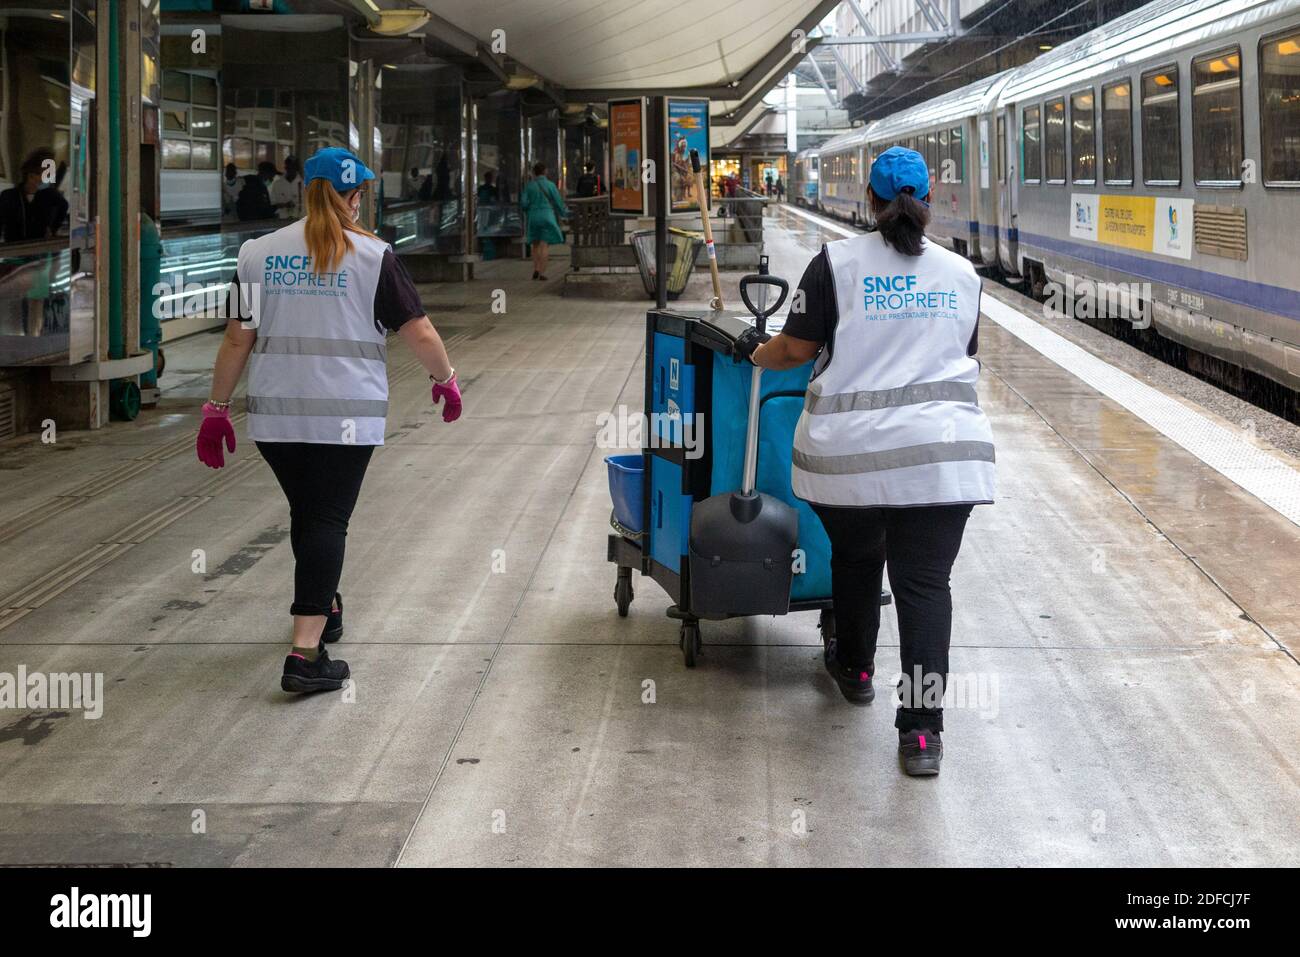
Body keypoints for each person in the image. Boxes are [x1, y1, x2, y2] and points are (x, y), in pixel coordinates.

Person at [737, 146, 994, 777]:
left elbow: (795, 348)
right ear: (930, 203)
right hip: (942, 461)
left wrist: (752, 350)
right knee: (925, 587)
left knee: (857, 556)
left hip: (848, 464)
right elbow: (959, 352)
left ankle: (853, 668)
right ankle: (923, 736)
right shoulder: (963, 275)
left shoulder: (837, 264)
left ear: (869, 202)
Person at [194, 146, 463, 695]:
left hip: (277, 421)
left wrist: (216, 408)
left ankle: (327, 603)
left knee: (308, 512)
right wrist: (445, 379)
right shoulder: (374, 256)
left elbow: (237, 337)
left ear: (305, 190)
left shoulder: (257, 254)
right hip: (345, 420)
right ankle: (306, 652)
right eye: (359, 193)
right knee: (326, 522)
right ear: (353, 197)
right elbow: (421, 333)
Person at [0, 149, 69, 243]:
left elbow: (63, 206)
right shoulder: (9, 196)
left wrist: (52, 229)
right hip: (14, 249)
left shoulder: (51, 195)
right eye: (46, 174)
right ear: (31, 175)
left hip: (39, 249)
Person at [521, 161, 568, 281]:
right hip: (547, 215)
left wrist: (529, 209)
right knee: (544, 245)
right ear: (545, 172)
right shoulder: (550, 185)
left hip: (533, 216)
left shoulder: (529, 186)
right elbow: (558, 202)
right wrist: (564, 214)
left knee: (535, 244)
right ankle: (542, 273)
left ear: (534, 173)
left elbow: (523, 203)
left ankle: (536, 269)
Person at [269, 154, 303, 220]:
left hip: (299, 219)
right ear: (285, 167)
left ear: (297, 168)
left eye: (293, 167)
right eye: (289, 166)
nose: (291, 169)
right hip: (281, 218)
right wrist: (283, 205)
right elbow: (272, 203)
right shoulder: (277, 184)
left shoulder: (304, 183)